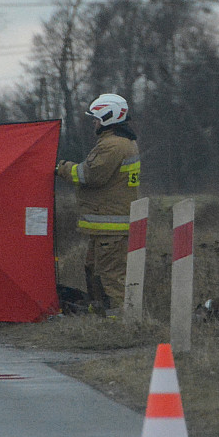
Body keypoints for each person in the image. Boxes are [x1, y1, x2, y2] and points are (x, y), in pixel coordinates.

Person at [56, 93, 140, 312]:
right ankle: (100, 311)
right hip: (106, 227)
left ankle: (116, 320)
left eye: (96, 118)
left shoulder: (112, 146)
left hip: (110, 227)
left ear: (107, 117)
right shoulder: (122, 142)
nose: (93, 122)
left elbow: (89, 175)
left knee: (110, 276)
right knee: (93, 269)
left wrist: (61, 168)